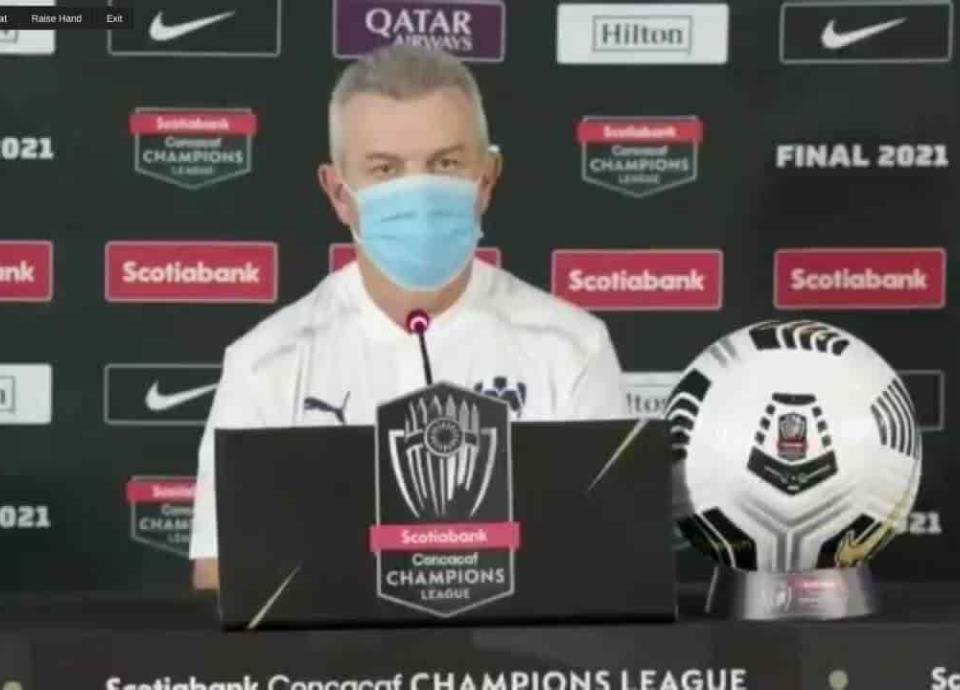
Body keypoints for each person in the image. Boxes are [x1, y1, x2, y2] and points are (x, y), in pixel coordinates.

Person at [189, 45, 629, 590]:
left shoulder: (573, 349)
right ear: (339, 193)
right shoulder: (264, 365)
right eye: (385, 169)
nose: (418, 192)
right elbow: (222, 578)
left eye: (445, 164)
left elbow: (607, 566)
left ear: (487, 177)